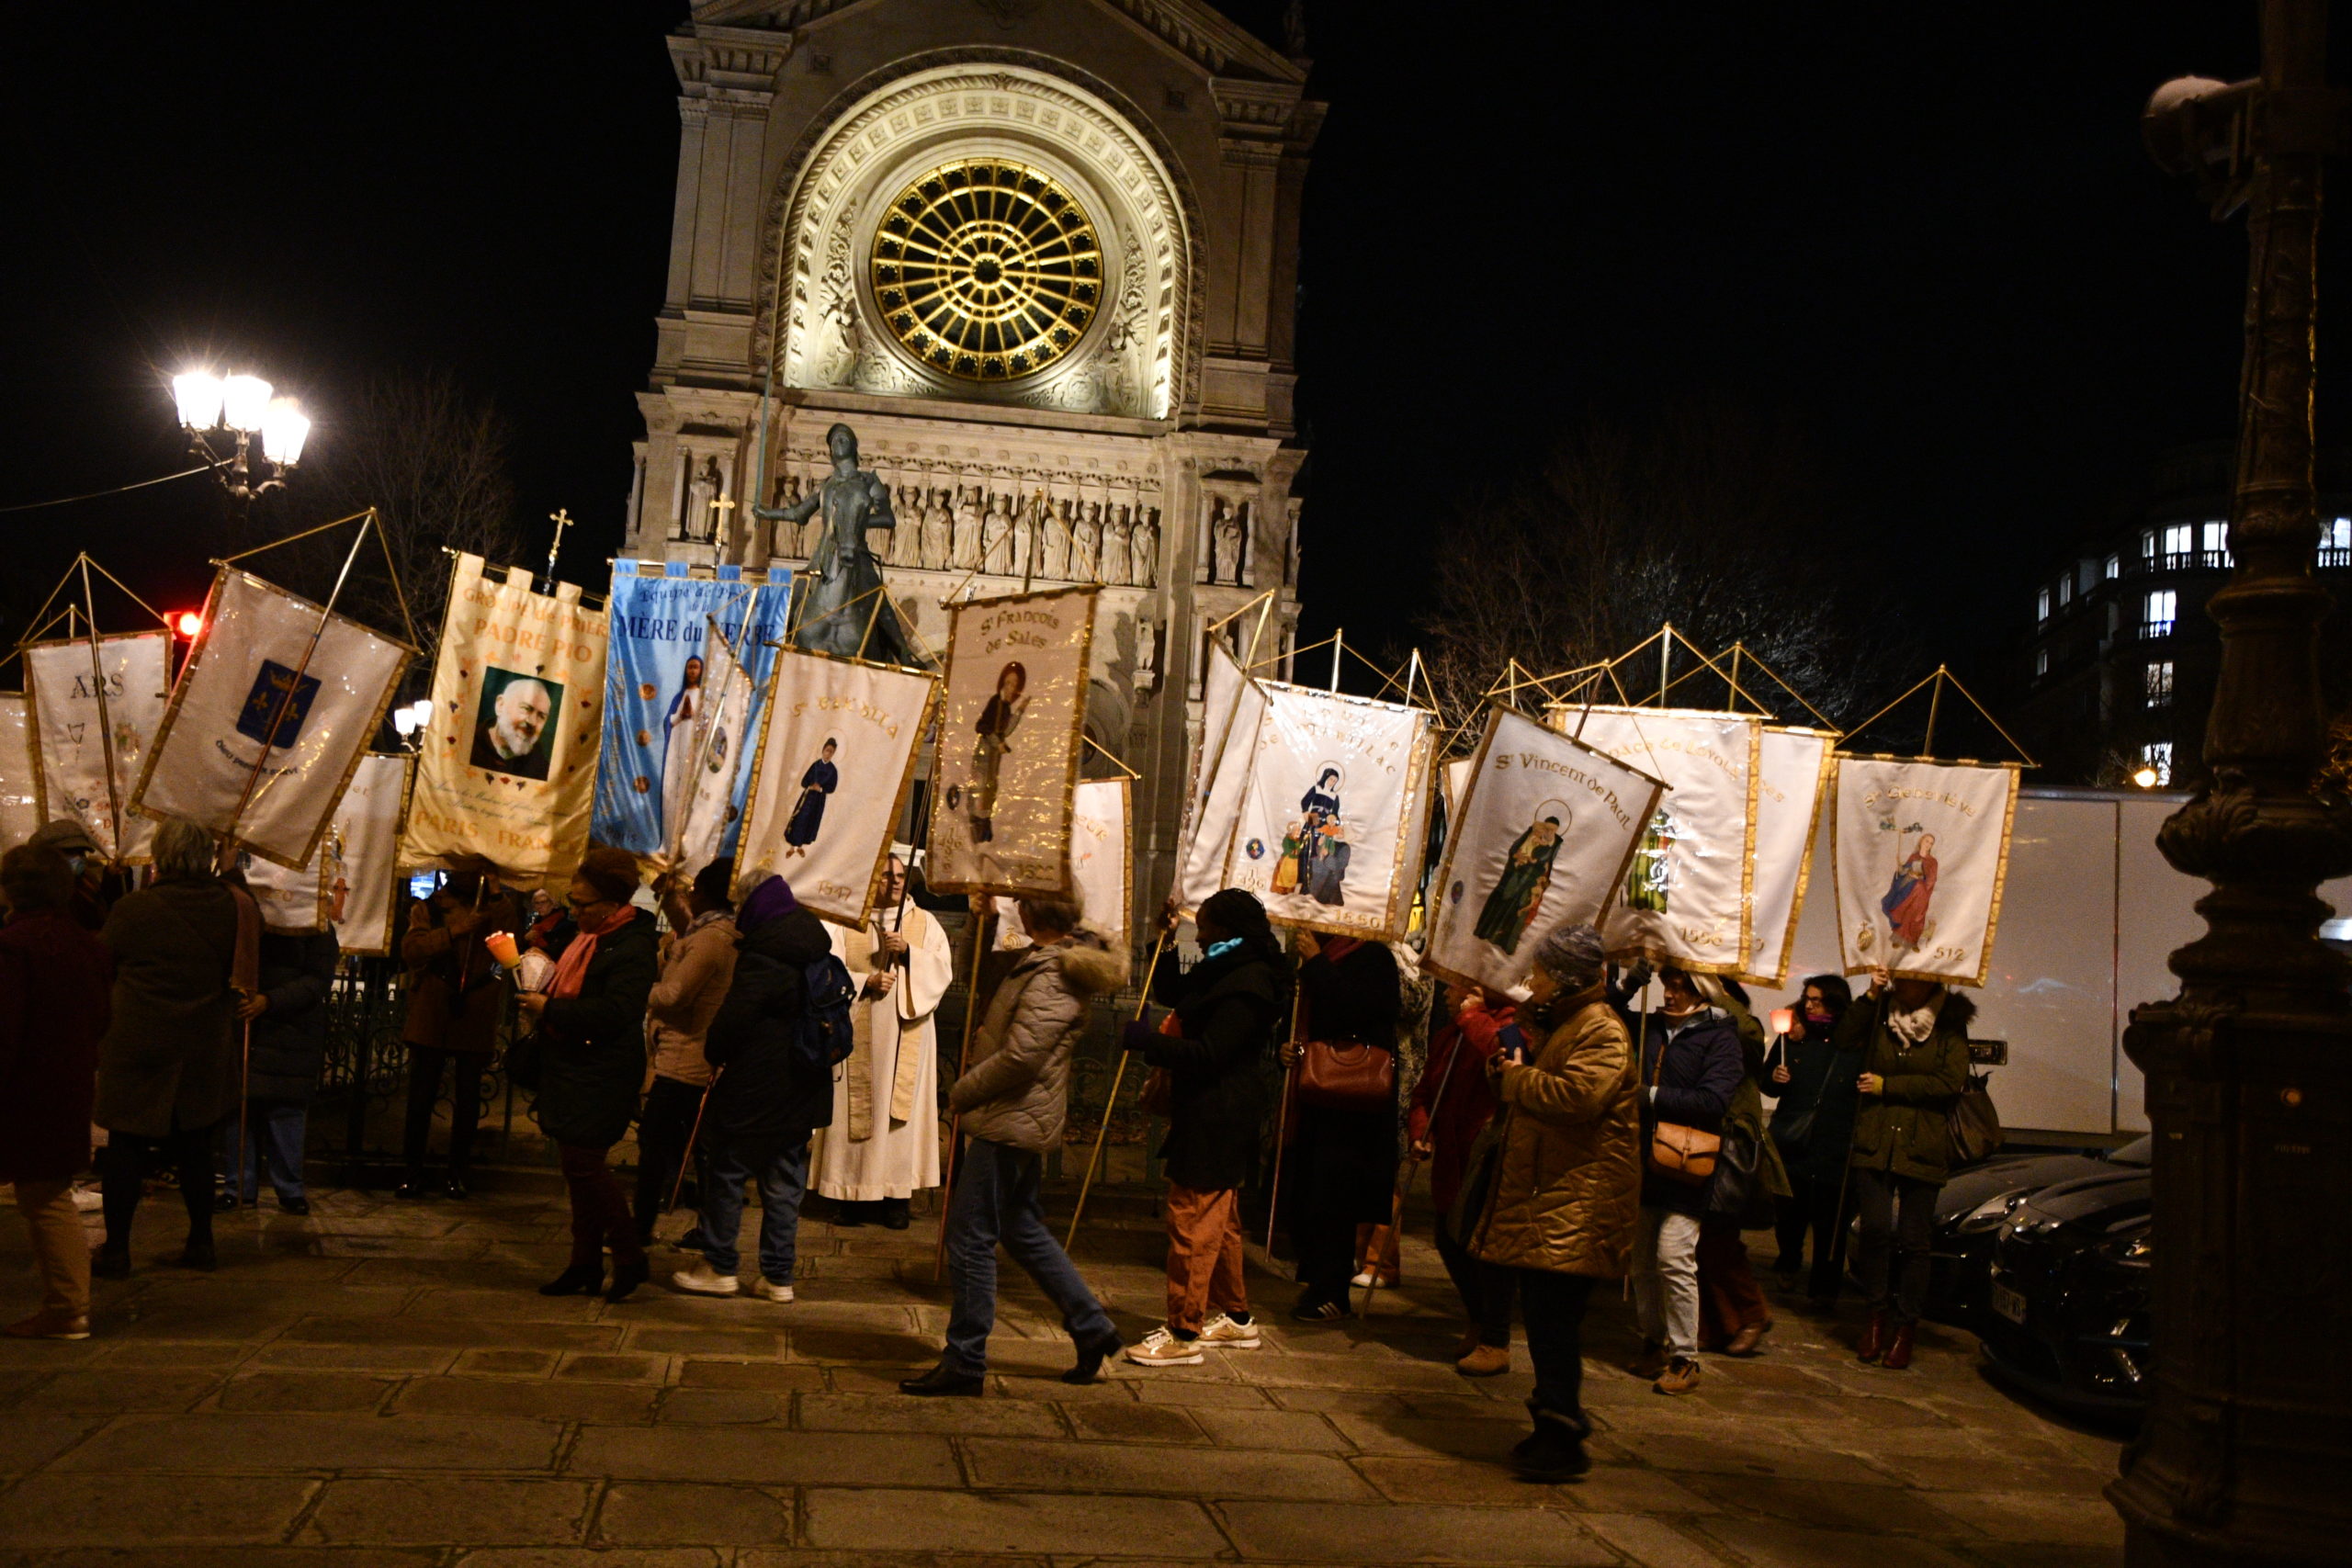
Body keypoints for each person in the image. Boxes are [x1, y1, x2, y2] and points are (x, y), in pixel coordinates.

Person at [901, 895, 1127, 1396]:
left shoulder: (1054, 974)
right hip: (1016, 1116)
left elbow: (1023, 1056)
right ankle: (1092, 1327)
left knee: (969, 1239)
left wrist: (965, 1091)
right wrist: (978, 922)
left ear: (1029, 916)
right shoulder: (1043, 961)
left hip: (1010, 1119)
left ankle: (965, 1360)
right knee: (1021, 1228)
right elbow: (978, 973)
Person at [1465, 923, 1640, 1481]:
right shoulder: (1567, 1023)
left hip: (1579, 1200)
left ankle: (1563, 1435)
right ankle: (1551, 1427)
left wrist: (1518, 1082)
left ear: (1562, 978)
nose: (1531, 981)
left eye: (1539, 972)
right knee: (1544, 1320)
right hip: (1557, 1194)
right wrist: (1508, 1072)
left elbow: (1578, 1096)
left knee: (1554, 1322)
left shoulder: (1602, 1029)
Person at [1121, 889, 1290, 1368]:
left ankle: (1183, 1330)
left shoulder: (1248, 982)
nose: (1204, 933)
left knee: (1191, 1220)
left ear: (1229, 929)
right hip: (1209, 1107)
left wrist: (1148, 1043)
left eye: (1208, 925)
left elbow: (1212, 1053)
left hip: (1221, 1111)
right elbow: (1178, 994)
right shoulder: (1225, 966)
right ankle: (1236, 1319)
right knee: (1221, 1221)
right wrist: (1168, 943)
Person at [92, 819, 255, 1278]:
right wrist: (232, 872)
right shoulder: (232, 906)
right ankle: (201, 1242)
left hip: (139, 1042)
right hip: (202, 1043)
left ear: (160, 855)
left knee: (125, 1146)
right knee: (196, 1148)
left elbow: (102, 960)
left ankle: (118, 1249)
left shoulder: (135, 909)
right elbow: (250, 924)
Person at [673, 874, 836, 1302]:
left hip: (757, 1085)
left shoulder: (766, 953)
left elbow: (735, 1018)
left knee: (727, 1171)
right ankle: (778, 1277)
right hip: (804, 1083)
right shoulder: (812, 943)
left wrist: (715, 1051)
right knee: (784, 1181)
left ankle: (719, 1266)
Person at [518, 846, 659, 1303]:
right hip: (571, 1065)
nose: (574, 910)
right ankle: (584, 1264)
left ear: (613, 904)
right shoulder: (585, 936)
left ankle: (629, 1254)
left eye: (582, 903)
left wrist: (550, 1008)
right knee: (576, 1169)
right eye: (573, 902)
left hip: (602, 1070)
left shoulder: (633, 944)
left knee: (586, 1167)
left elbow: (617, 1012)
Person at [0, 844, 112, 1338]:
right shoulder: (85, 944)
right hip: (66, 1082)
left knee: (45, 1197)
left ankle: (67, 1307)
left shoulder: (15, 945)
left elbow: (4, 1028)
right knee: (49, 1193)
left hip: (24, 1089)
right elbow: (102, 1017)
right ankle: (67, 1305)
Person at [1844, 964, 1973, 1370]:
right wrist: (1869, 996)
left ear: (1931, 979)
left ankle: (1906, 1326)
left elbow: (1949, 1082)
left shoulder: (1950, 1023)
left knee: (1916, 1241)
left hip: (1923, 1144)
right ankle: (1876, 1315)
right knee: (1876, 1230)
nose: (1903, 982)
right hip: (1876, 1139)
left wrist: (1888, 1086)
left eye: (1912, 976)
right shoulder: (1880, 1013)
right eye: (1900, 976)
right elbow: (1844, 1038)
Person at [1622, 964, 1743, 1394]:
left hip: (1688, 1164)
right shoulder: (1652, 1025)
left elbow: (1713, 1100)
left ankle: (1685, 1356)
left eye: (1679, 987)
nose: (1669, 994)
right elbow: (1612, 1011)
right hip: (1645, 1158)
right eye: (1666, 985)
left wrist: (1650, 1096)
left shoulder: (1721, 1037)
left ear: (1700, 991)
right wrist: (1634, 978)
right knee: (1641, 1261)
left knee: (1674, 1256)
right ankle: (1653, 1340)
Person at [813, 852, 950, 1229]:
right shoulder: (846, 922)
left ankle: (896, 1197)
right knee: (854, 1113)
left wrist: (910, 955)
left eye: (900, 875)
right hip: (859, 1026)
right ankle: (849, 1195)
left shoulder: (926, 923)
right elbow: (826, 970)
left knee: (899, 1119)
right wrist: (865, 982)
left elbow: (943, 970)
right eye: (886, 875)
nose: (893, 881)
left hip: (908, 1031)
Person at [1280, 928, 1400, 1322]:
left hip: (1352, 1103)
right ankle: (1317, 1280)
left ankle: (1332, 1291)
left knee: (1336, 1197)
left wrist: (1316, 962)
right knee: (1312, 1195)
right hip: (1317, 1095)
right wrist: (1289, 1045)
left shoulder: (1373, 957)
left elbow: (1356, 1009)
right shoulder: (1326, 957)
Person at [1412, 981, 1519, 1376]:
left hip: (1485, 1153)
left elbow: (1504, 1055)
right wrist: (1421, 1130)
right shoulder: (1449, 1034)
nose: (1444, 992)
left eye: (1452, 984)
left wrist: (1473, 1017)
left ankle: (1495, 1334)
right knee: (1448, 1237)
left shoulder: (1509, 1023)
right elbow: (1426, 1091)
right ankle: (1478, 1317)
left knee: (1485, 1245)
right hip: (1452, 1157)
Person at [397, 863, 522, 1199]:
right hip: (435, 1007)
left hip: (474, 1009)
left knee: (467, 1101)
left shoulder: (495, 907)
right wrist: (455, 931)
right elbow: (411, 950)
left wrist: (496, 891)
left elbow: (511, 941)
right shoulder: (430, 906)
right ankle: (412, 1172)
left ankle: (457, 1173)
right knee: (421, 1098)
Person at [635, 859, 738, 1245]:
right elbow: (686, 931)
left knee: (656, 1145)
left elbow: (676, 994)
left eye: (695, 891)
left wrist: (641, 992)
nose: (691, 896)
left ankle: (642, 1227)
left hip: (687, 1059)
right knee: (688, 1148)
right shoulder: (714, 931)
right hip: (693, 1056)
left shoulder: (711, 939)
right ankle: (707, 1229)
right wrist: (669, 893)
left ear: (708, 895)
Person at [1690, 975, 1788, 1357]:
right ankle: (1718, 1324)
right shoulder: (1695, 1021)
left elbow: (1748, 1033)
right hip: (1696, 1134)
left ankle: (1751, 1312)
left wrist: (1720, 995)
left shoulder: (1738, 1023)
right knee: (1696, 1237)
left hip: (1732, 1139)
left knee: (1717, 1234)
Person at [221, 918, 340, 1214]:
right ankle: (238, 1186)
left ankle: (289, 1188)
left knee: (285, 1112)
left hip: (292, 1030)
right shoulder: (246, 917)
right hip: (245, 1027)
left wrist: (270, 1000)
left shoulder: (316, 924)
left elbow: (317, 979)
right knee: (240, 1110)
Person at [1764, 974, 1858, 1305]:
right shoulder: (1793, 1035)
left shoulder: (1850, 1041)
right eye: (1807, 998)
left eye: (1817, 1000)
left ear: (1834, 1003)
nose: (1809, 1004)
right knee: (1789, 1213)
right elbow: (1767, 1082)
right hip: (1794, 1140)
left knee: (1829, 1221)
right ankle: (1788, 1260)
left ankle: (1823, 1287)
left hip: (1833, 1143)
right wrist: (1775, 1078)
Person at [969, 663, 1027, 843]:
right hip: (985, 754)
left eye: (1014, 684)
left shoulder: (1006, 706)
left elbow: (1006, 730)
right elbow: (983, 726)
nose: (1011, 687)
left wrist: (1020, 711)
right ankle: (978, 828)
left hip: (994, 757)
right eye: (1008, 683)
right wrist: (998, 743)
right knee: (980, 788)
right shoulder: (996, 702)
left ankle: (984, 828)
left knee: (990, 789)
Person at [471, 677, 556, 780]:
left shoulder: (541, 769)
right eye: (526, 708)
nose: (533, 722)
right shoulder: (467, 741)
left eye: (541, 716)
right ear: (500, 705)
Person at [783, 739, 839, 858]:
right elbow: (804, 781)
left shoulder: (833, 770)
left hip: (818, 801)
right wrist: (811, 786)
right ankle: (793, 847)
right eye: (827, 750)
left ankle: (800, 847)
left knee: (810, 822)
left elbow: (832, 787)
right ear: (823, 750)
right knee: (800, 820)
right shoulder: (815, 765)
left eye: (831, 752)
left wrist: (821, 789)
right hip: (807, 798)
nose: (828, 754)